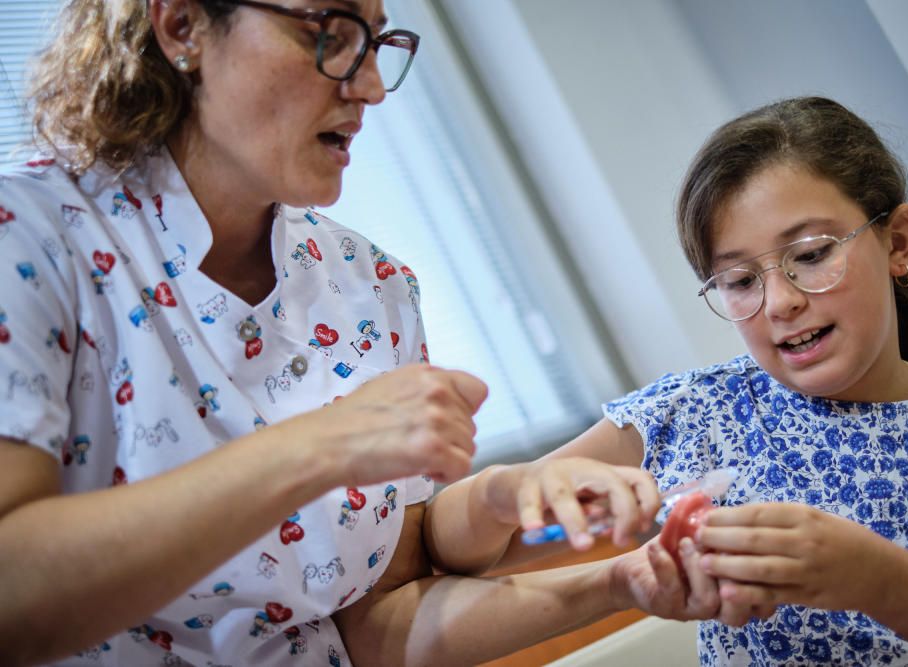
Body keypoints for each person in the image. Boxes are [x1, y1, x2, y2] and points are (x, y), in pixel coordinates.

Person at [0, 1, 727, 665]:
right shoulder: (30, 242)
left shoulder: (370, 284)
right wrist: (320, 444)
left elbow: (375, 626)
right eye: (330, 35)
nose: (373, 87)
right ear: (183, 26)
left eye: (377, 43)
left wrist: (619, 581)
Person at [428, 96, 908, 665]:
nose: (780, 301)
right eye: (740, 280)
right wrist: (506, 491)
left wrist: (884, 583)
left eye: (812, 253)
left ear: (896, 241)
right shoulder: (700, 410)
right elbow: (449, 547)